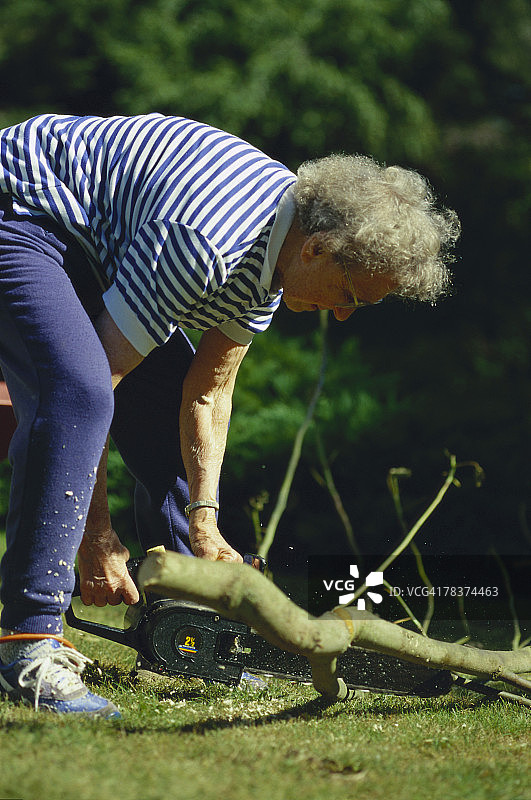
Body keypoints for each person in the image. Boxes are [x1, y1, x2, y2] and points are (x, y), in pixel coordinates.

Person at [0, 112, 459, 716]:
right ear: (319, 248)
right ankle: (29, 646)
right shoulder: (209, 242)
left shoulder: (277, 258)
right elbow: (93, 392)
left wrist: (205, 521)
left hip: (94, 245)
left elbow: (209, 393)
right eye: (350, 295)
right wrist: (96, 534)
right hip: (26, 213)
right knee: (80, 392)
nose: (343, 315)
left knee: (160, 414)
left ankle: (196, 629)